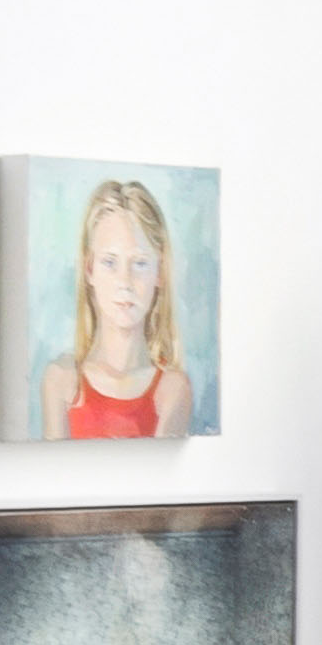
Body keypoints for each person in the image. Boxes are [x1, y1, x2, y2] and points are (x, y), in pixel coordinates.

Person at [41, 174, 199, 446]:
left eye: (139, 263)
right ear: (89, 269)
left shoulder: (172, 390)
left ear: (159, 273)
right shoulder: (62, 382)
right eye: (109, 263)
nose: (124, 282)